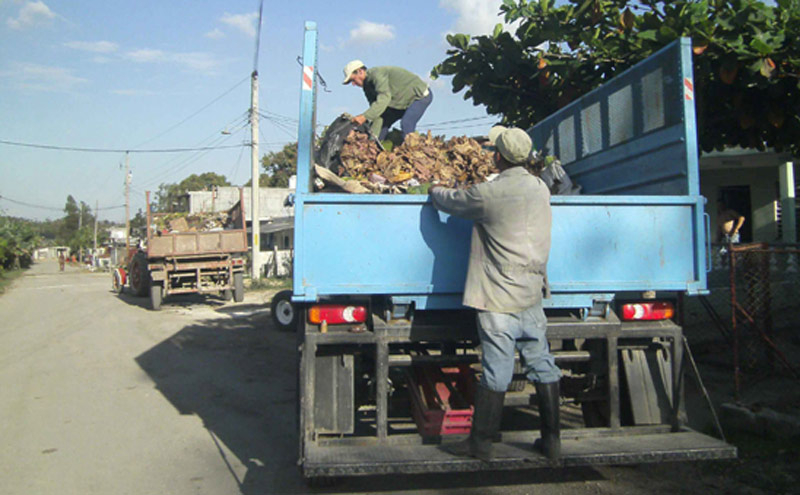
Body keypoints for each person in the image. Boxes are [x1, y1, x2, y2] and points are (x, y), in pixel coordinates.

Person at [429, 126, 561, 461]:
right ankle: (552, 442)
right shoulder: (540, 188)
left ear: (498, 156)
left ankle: (481, 444)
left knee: (497, 368)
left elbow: (451, 201)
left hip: (499, 295)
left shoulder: (489, 194)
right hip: (531, 291)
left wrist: (434, 190)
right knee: (542, 362)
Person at [342, 60, 432, 141]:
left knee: (407, 123)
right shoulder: (367, 88)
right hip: (400, 103)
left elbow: (384, 98)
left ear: (360, 71)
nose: (353, 84)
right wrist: (371, 141)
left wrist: (364, 116)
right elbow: (377, 112)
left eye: (353, 80)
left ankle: (412, 152)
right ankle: (375, 147)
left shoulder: (377, 74)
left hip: (419, 97)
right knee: (383, 122)